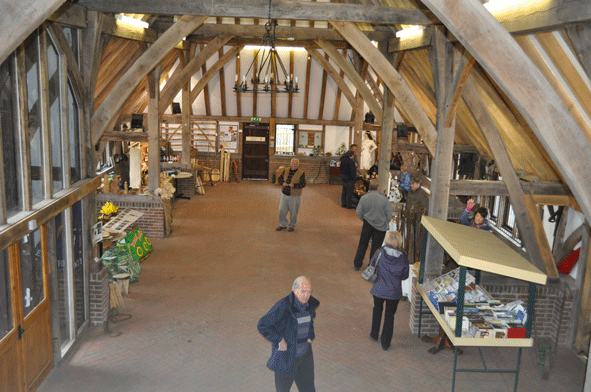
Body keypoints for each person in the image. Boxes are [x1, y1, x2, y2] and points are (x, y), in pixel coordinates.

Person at [258, 276, 320, 392]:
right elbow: (262, 325)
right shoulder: (283, 306)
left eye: (309, 292)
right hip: (286, 357)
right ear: (294, 290)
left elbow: (310, 322)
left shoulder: (309, 305)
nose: (306, 295)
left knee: (309, 389)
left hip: (305, 356)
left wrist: (310, 337)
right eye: (303, 291)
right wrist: (279, 339)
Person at [368, 231, 409, 351]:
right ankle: (385, 343)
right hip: (394, 291)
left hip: (379, 289)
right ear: (399, 241)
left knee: (377, 309)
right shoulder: (403, 257)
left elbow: (372, 265)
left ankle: (374, 334)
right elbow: (405, 275)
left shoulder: (379, 252)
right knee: (389, 316)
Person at [353, 180, 393, 271]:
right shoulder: (384, 199)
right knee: (376, 247)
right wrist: (385, 222)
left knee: (363, 244)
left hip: (367, 224)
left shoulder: (364, 198)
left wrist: (364, 219)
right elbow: (389, 214)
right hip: (380, 227)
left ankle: (357, 264)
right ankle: (372, 266)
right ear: (378, 187)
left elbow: (358, 211)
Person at [276, 158, 306, 232]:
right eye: (293, 163)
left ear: (298, 165)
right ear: (290, 164)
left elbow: (303, 184)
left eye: (296, 164)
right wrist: (282, 182)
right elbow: (279, 179)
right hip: (284, 194)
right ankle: (282, 225)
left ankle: (292, 226)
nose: (294, 165)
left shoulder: (301, 173)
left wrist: (294, 185)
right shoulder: (286, 170)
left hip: (294, 196)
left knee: (293, 212)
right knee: (281, 210)